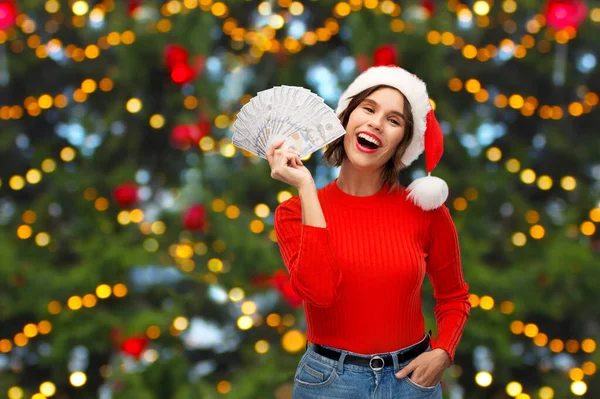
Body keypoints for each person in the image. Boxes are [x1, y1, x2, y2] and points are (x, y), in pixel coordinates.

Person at [267, 65, 471, 398]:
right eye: (369, 108)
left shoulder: (427, 212)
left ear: (402, 143)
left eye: (393, 120)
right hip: (329, 383)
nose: (376, 123)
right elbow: (319, 292)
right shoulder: (292, 213)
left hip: (412, 382)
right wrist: (305, 187)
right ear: (345, 119)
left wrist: (443, 352)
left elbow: (454, 297)